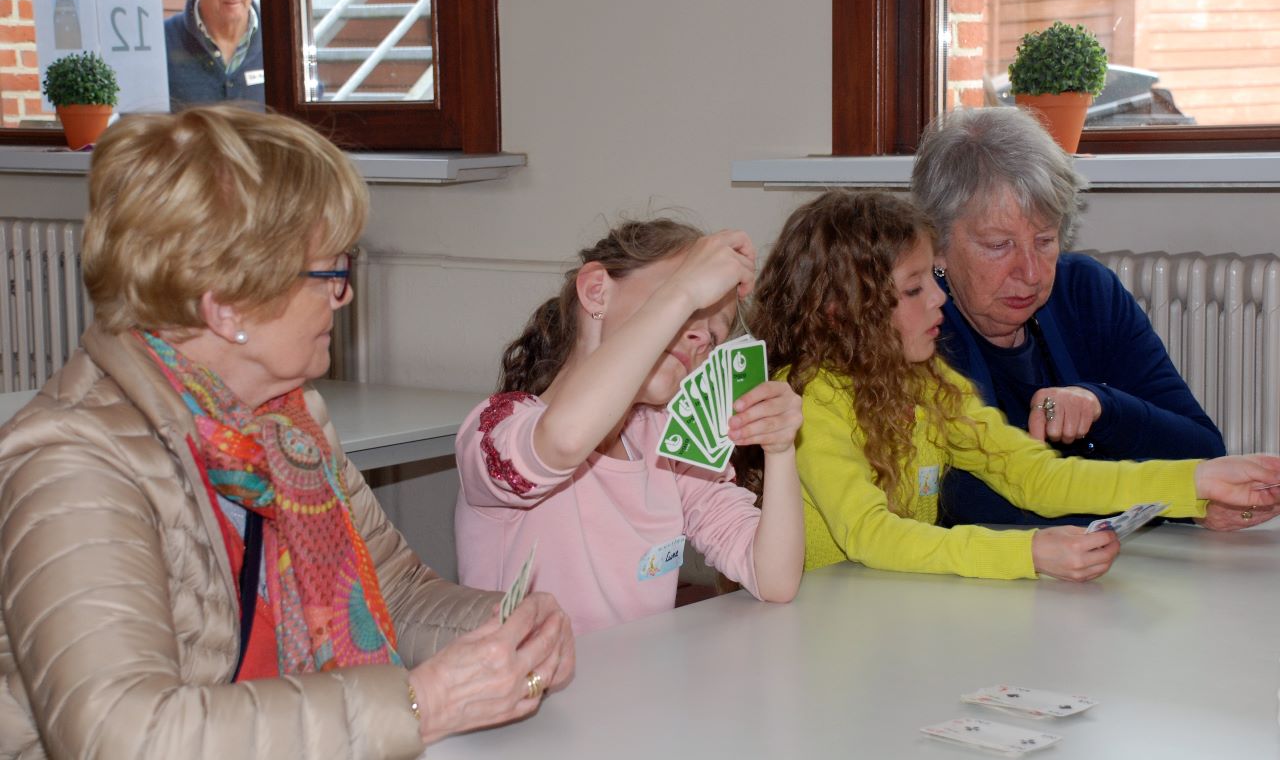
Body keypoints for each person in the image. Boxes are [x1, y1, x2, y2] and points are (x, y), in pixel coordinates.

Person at [0, 106, 573, 759]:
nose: (343, 296)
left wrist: (504, 628)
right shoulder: (70, 460)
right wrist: (420, 705)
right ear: (226, 304)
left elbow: (397, 596)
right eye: (328, 273)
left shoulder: (286, 427)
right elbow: (122, 736)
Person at [749, 189, 1280, 582]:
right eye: (913, 289)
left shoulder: (928, 381)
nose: (938, 301)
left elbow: (1033, 475)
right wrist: (1027, 554)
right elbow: (870, 535)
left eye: (931, 282)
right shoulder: (810, 398)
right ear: (841, 312)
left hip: (896, 603)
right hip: (819, 627)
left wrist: (1196, 480)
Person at [454, 221, 805, 634]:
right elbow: (564, 440)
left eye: (713, 335)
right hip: (530, 695)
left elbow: (774, 578)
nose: (698, 336)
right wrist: (685, 291)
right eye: (680, 303)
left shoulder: (666, 442)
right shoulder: (498, 427)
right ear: (596, 291)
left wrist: (780, 449)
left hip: (640, 690)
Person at [910, 107, 1230, 528]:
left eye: (1045, 240)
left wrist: (1103, 407)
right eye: (998, 245)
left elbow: (1204, 453)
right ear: (938, 245)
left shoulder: (1087, 293)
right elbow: (960, 499)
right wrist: (1173, 497)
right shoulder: (919, 326)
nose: (1031, 271)